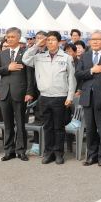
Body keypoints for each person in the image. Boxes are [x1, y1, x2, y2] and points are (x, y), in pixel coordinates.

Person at [23, 31, 76, 165]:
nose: (50, 42)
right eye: (48, 40)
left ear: (59, 42)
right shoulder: (39, 57)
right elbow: (25, 59)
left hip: (60, 97)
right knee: (47, 126)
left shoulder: (66, 57)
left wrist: (70, 96)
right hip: (45, 96)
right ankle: (49, 153)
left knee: (58, 127)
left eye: (53, 40)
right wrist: (36, 45)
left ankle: (59, 154)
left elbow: (71, 79)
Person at [75, 30, 101, 166]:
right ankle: (91, 155)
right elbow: (79, 74)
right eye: (92, 39)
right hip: (87, 96)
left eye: (98, 39)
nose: (94, 41)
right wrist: (92, 71)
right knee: (90, 127)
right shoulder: (85, 56)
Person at [0, 27, 35, 162]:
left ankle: (21, 150)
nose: (9, 39)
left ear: (19, 38)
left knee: (21, 123)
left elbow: (30, 76)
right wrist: (7, 68)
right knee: (8, 123)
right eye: (8, 37)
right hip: (4, 93)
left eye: (12, 37)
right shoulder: (2, 54)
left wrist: (29, 92)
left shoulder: (25, 53)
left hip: (20, 92)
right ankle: (9, 150)